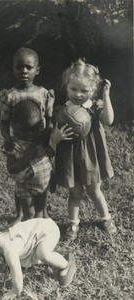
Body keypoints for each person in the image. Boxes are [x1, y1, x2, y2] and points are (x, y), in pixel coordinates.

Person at [55, 58, 117, 240]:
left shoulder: (94, 107)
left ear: (93, 90)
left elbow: (109, 120)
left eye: (84, 90)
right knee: (74, 193)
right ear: (66, 87)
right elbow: (53, 136)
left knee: (94, 191)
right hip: (70, 157)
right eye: (74, 89)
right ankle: (73, 223)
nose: (78, 94)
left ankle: (106, 218)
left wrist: (106, 96)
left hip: (91, 156)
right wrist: (56, 137)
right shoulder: (62, 111)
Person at [0, 47, 55, 222]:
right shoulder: (10, 96)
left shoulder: (43, 93)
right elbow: (4, 121)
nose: (24, 71)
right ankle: (21, 214)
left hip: (40, 142)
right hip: (20, 143)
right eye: (19, 67)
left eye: (29, 67)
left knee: (43, 179)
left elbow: (49, 118)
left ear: (37, 70)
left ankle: (43, 212)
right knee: (20, 183)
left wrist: (47, 135)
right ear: (13, 69)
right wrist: (8, 139)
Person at [0, 218, 76, 300]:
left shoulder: (9, 250)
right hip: (34, 233)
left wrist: (15, 291)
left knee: (43, 254)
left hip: (47, 230)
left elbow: (16, 274)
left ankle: (66, 265)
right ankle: (39, 255)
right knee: (32, 257)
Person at [6, 99, 73, 222]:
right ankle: (29, 235)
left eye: (35, 129)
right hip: (25, 187)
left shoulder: (41, 137)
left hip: (43, 185)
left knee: (40, 213)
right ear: (14, 126)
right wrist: (26, 158)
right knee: (30, 215)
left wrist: (52, 178)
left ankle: (40, 231)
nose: (31, 134)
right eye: (26, 130)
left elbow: (52, 123)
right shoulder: (13, 145)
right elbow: (11, 168)